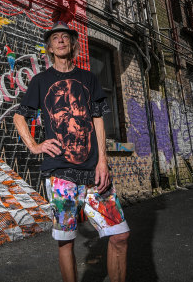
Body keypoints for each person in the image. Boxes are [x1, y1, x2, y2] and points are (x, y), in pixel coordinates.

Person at [13, 21, 130, 282]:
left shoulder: (87, 78)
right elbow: (20, 117)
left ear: (72, 43)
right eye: (56, 38)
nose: (61, 41)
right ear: (50, 47)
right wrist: (35, 145)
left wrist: (103, 162)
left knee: (120, 235)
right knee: (66, 242)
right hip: (60, 174)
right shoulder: (40, 81)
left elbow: (98, 119)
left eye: (65, 37)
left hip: (93, 171)